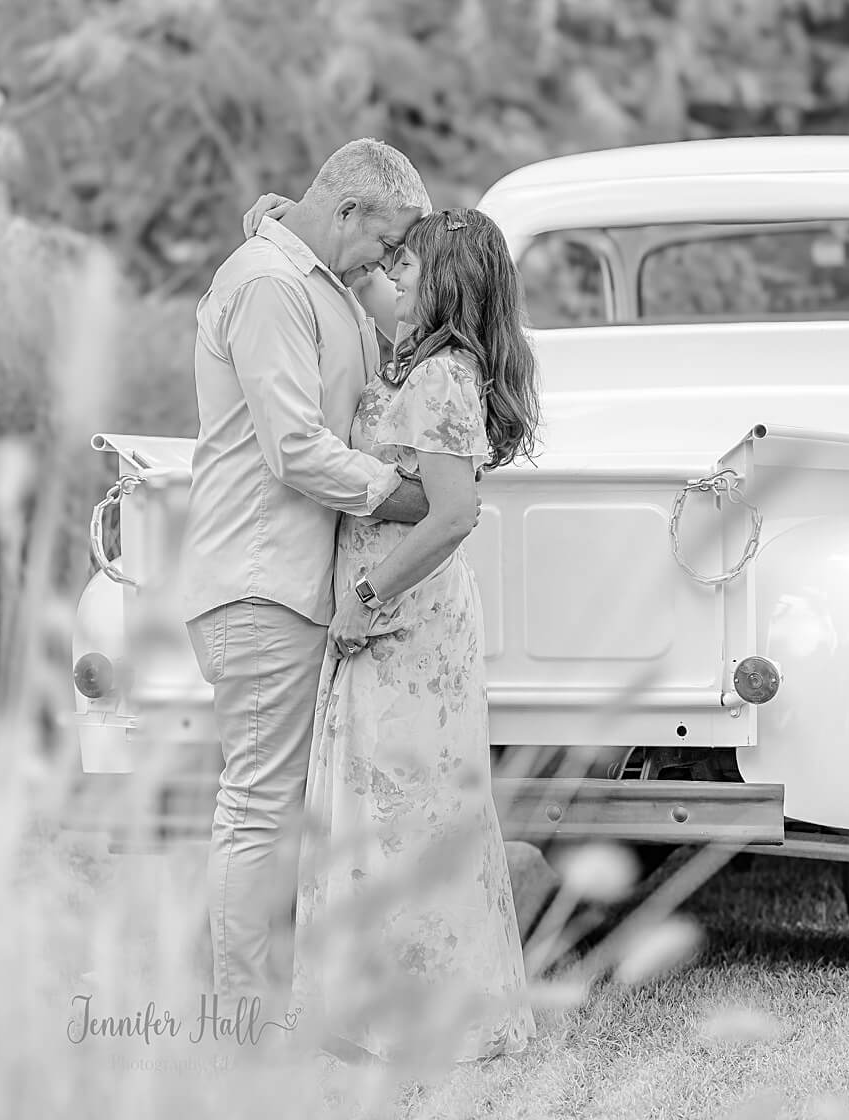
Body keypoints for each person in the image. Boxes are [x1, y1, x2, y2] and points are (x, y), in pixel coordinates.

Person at [181, 138, 445, 1029]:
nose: (386, 257)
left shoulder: (309, 275)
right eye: (387, 237)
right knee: (259, 806)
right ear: (347, 213)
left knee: (286, 806)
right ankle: (241, 1026)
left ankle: (280, 1007)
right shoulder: (268, 284)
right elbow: (292, 446)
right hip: (260, 587)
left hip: (294, 585)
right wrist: (401, 498)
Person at [287, 205, 541, 1068]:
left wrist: (364, 593)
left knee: (407, 820)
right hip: (401, 618)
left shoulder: (441, 379)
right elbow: (357, 278)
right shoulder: (420, 363)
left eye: (409, 267)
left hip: (407, 619)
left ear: (446, 287)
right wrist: (291, 223)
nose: (392, 276)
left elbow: (456, 513)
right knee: (388, 813)